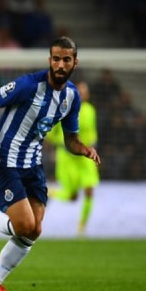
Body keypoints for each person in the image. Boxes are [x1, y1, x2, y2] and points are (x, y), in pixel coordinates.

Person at [0, 36, 100, 291]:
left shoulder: (72, 96)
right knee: (24, 225)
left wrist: (83, 149)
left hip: (32, 164)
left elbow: (70, 138)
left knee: (34, 230)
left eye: (66, 60)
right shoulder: (27, 85)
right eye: (56, 59)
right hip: (3, 161)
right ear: (49, 60)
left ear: (74, 63)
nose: (60, 64)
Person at [44, 80, 99, 236]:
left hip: (84, 157)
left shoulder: (90, 111)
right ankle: (50, 193)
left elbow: (93, 132)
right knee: (72, 196)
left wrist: (91, 144)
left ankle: (81, 228)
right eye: (79, 91)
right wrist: (63, 143)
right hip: (67, 158)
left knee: (89, 190)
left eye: (84, 91)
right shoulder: (63, 109)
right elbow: (50, 135)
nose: (82, 93)